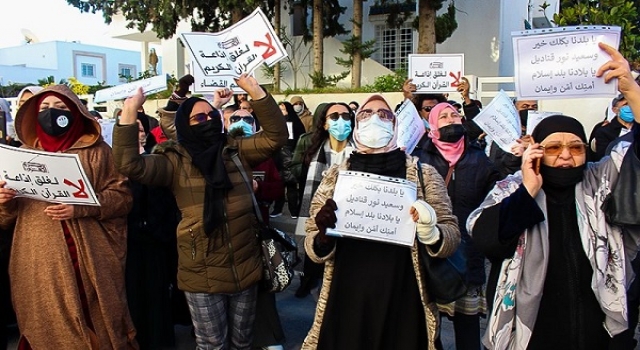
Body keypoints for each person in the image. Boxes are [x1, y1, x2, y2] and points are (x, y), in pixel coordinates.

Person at [467, 42, 640, 350]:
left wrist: (631, 89)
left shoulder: (601, 179)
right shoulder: (512, 187)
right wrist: (529, 190)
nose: (564, 156)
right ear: (537, 151)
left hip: (597, 327)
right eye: (553, 147)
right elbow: (486, 239)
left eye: (575, 147)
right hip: (532, 330)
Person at [112, 74, 288, 349]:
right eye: (200, 118)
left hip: (246, 265)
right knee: (211, 344)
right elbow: (129, 164)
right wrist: (130, 110)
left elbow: (276, 136)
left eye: (212, 115)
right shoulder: (173, 160)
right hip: (200, 272)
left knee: (242, 342)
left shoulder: (235, 150)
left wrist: (254, 90)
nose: (209, 121)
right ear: (185, 125)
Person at [301, 94, 460, 349]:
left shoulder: (423, 174)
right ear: (357, 124)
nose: (375, 118)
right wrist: (322, 235)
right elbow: (312, 245)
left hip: (403, 294)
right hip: (347, 294)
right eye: (366, 113)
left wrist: (433, 233)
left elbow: (451, 234)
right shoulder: (336, 174)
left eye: (384, 114)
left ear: (396, 125)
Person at [0, 84, 137, 349]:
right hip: (38, 264)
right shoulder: (20, 156)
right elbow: (5, 220)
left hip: (88, 259)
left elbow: (123, 199)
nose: (52, 114)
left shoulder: (98, 152)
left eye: (61, 108)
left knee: (94, 321)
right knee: (46, 324)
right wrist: (4, 202)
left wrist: (81, 207)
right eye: (44, 109)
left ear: (77, 112)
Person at [417, 102, 500, 350]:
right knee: (431, 327)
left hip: (468, 255)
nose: (451, 119)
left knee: (468, 329)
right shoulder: (418, 157)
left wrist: (514, 159)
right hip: (430, 254)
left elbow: (498, 192)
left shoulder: (478, 157)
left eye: (455, 114)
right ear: (432, 126)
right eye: (443, 116)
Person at [226, 110, 286, 350]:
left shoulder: (265, 157)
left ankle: (268, 337)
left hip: (257, 232)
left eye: (248, 119)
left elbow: (277, 189)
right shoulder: (219, 156)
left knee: (260, 287)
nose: (242, 123)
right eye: (235, 118)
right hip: (226, 233)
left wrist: (258, 187)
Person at [292, 102, 355, 299]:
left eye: (346, 116)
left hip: (350, 222)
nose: (341, 121)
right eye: (334, 117)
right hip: (320, 219)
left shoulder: (361, 152)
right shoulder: (313, 150)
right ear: (325, 124)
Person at [271, 101, 306, 218]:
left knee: (290, 186)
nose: (281, 113)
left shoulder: (294, 122)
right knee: (279, 185)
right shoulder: (278, 122)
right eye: (279, 110)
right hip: (279, 157)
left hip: (290, 157)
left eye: (283, 110)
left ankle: (293, 210)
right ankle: (278, 209)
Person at [592, 93, 634, 161]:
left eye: (632, 103)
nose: (630, 107)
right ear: (615, 110)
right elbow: (603, 158)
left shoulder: (637, 127)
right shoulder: (604, 132)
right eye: (625, 104)